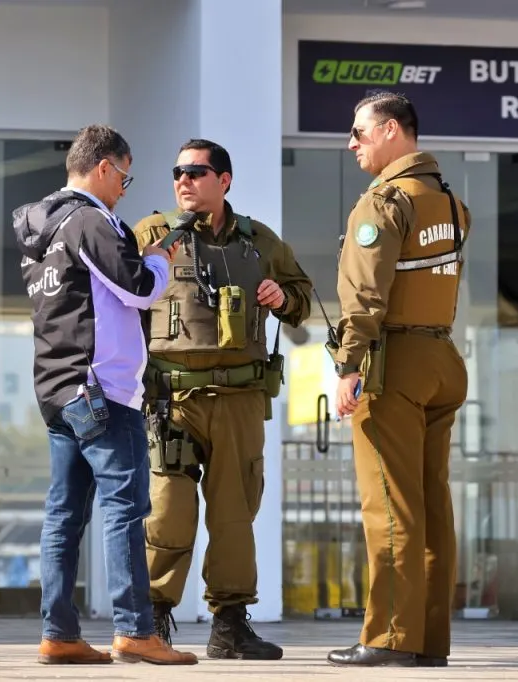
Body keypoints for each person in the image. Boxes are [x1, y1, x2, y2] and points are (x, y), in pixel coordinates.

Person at [12, 124, 196, 666]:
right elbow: (139, 288)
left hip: (57, 386)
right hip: (101, 389)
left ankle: (59, 633)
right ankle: (136, 629)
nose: (125, 188)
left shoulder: (42, 229)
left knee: (65, 513)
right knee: (125, 507)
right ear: (103, 168)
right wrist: (161, 257)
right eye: (125, 176)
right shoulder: (89, 219)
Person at [131, 138, 313, 660]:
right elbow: (119, 296)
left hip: (239, 400)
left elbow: (302, 297)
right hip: (172, 400)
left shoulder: (261, 242)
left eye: (196, 171)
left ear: (224, 180)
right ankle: (151, 621)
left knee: (234, 515)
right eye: (177, 172)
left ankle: (230, 625)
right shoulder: (152, 234)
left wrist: (283, 297)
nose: (183, 180)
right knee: (167, 511)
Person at [326, 93, 470, 669]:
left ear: (390, 131)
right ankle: (428, 640)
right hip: (441, 358)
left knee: (389, 507)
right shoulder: (451, 203)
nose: (352, 143)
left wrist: (348, 366)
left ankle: (388, 637)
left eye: (359, 132)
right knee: (433, 507)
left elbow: (365, 295)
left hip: (395, 366)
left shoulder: (384, 202)